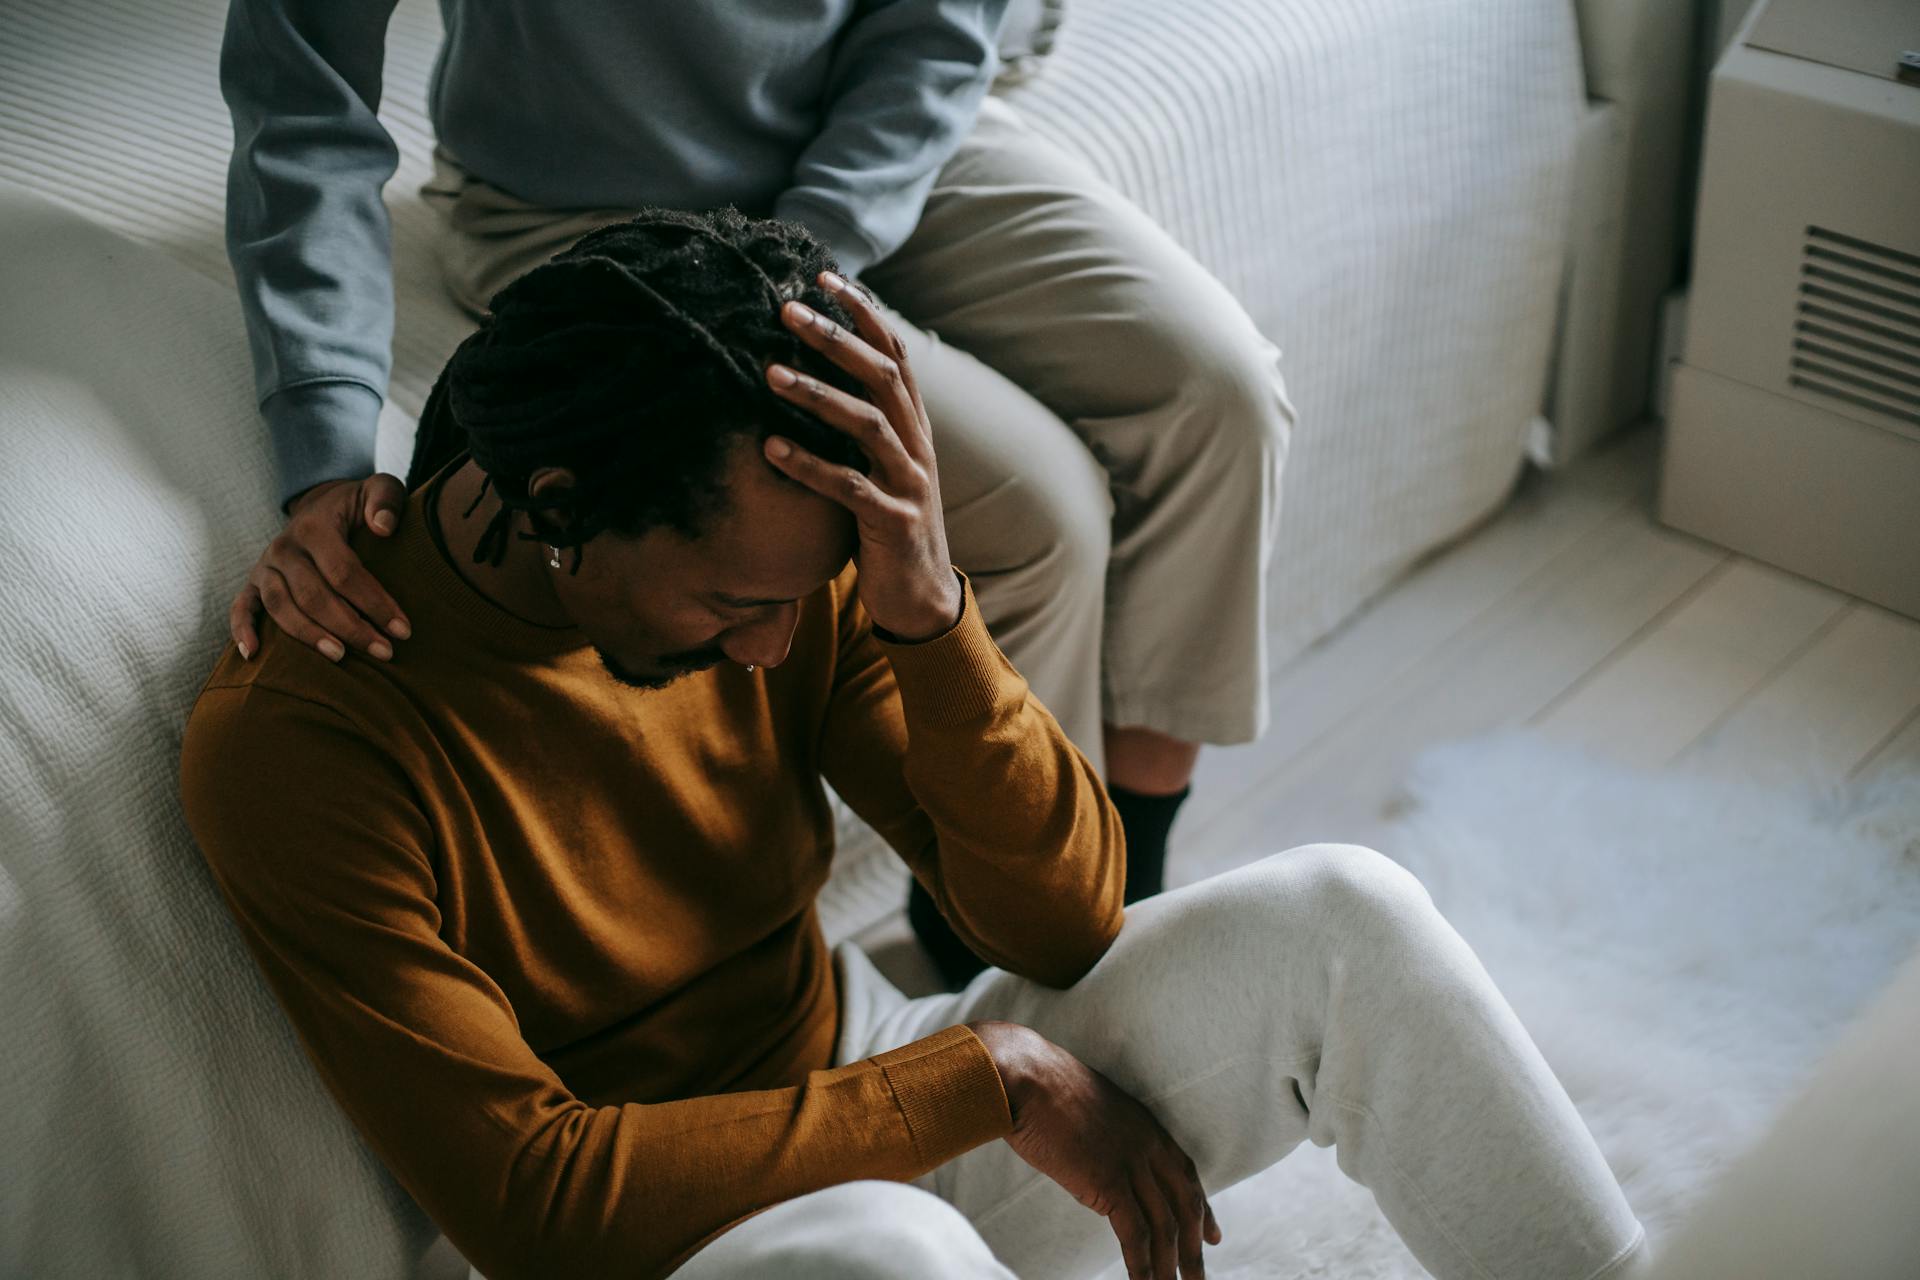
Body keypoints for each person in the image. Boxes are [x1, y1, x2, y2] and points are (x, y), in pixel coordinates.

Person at [180, 213, 1645, 1280]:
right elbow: (531, 1204)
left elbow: (1065, 920)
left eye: (791, 604)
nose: (768, 649)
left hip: (858, 1088)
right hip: (643, 1239)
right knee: (893, 1256)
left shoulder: (798, 585)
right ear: (557, 509)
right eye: (732, 604)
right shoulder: (307, 741)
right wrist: (982, 1082)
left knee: (1347, 917)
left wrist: (931, 613)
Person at [216, 0, 1298, 983]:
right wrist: (326, 445)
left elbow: (939, 24)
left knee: (1222, 396)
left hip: (879, 143)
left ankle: (1129, 896)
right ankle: (995, 947)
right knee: (1041, 515)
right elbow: (303, 87)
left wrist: (799, 262)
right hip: (588, 199)